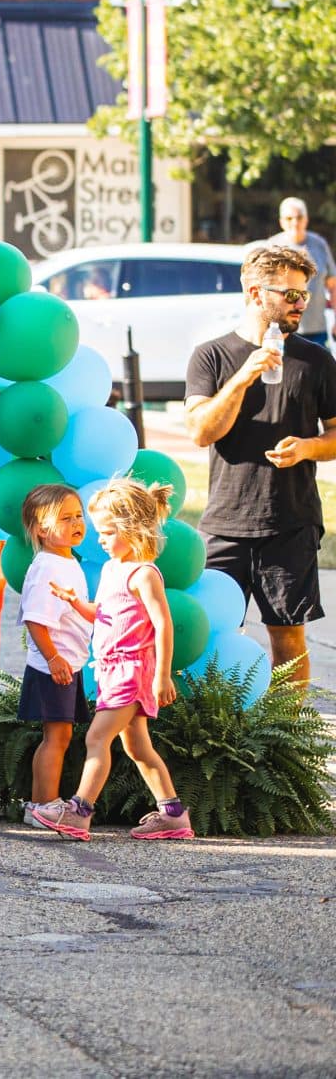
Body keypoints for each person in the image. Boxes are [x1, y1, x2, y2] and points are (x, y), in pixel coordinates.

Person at [185, 242, 336, 688]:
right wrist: (244, 376)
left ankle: (286, 744)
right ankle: (215, 742)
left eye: (304, 295)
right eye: (290, 294)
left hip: (290, 520)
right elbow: (200, 431)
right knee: (212, 636)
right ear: (254, 293)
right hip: (224, 523)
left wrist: (309, 448)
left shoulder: (316, 360)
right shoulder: (211, 356)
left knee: (288, 642)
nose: (301, 304)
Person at [63, 479, 194, 841]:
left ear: (132, 529)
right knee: (137, 747)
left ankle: (79, 811)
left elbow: (163, 625)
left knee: (96, 738)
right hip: (110, 670)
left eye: (107, 532)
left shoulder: (144, 573)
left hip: (133, 670)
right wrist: (76, 604)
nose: (100, 540)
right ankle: (173, 815)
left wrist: (162, 675)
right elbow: (106, 614)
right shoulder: (111, 569)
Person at [14, 483, 94, 838]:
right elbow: (35, 618)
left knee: (59, 735)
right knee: (56, 737)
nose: (77, 523)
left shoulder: (67, 560)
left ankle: (40, 806)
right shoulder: (48, 566)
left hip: (68, 662)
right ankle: (45, 804)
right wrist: (54, 657)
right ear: (41, 529)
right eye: (66, 518)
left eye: (78, 515)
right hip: (53, 666)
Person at [253, 197, 336, 347]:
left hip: (316, 329)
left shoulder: (319, 245)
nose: (295, 223)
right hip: (281, 329)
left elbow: (333, 285)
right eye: (289, 218)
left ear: (306, 219)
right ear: (281, 222)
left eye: (299, 217)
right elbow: (261, 289)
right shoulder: (272, 246)